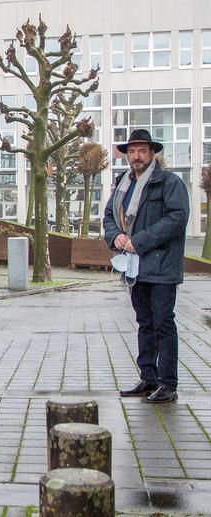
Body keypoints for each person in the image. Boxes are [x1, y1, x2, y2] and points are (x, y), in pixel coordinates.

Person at [103, 129, 189, 404]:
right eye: (131, 151)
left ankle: (168, 384)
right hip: (135, 267)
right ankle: (148, 377)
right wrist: (114, 235)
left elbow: (176, 219)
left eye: (141, 150)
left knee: (163, 323)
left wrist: (137, 241)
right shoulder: (122, 184)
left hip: (162, 266)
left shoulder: (169, 183)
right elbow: (108, 216)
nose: (136, 156)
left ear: (152, 153)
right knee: (144, 323)